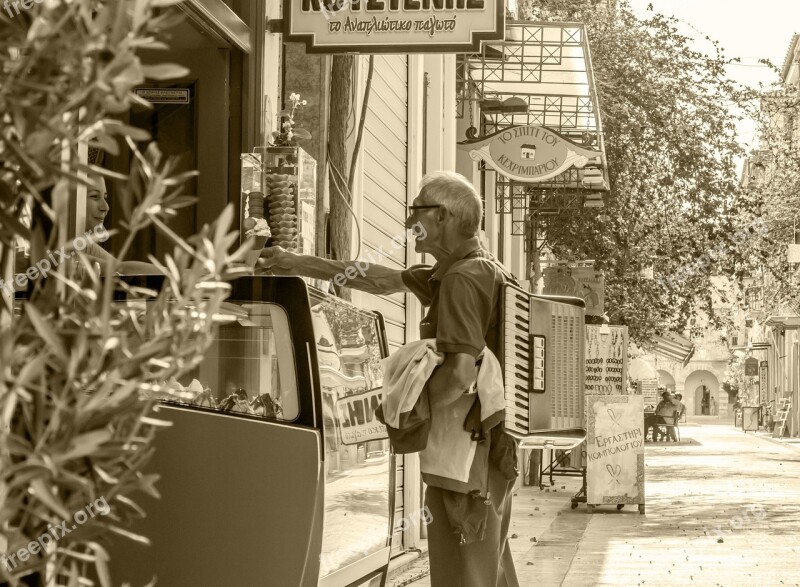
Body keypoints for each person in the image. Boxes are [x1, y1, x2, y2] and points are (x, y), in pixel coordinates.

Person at [259, 171, 519, 587]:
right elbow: (377, 278)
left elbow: (460, 371)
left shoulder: (460, 280)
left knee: (464, 572)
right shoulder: (473, 269)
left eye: (416, 210)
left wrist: (400, 412)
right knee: (489, 568)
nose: (407, 220)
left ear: (443, 217)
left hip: (466, 457)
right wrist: (294, 263)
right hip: (489, 454)